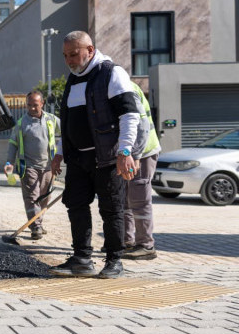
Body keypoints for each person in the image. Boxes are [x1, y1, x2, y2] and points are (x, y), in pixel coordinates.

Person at [49, 31, 149, 279]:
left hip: (107, 159)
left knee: (112, 209)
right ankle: (81, 259)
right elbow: (67, 122)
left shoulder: (112, 73)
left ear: (90, 50)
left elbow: (129, 115)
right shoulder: (72, 80)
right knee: (76, 205)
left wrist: (125, 151)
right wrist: (59, 153)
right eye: (65, 56)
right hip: (78, 159)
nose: (69, 61)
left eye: (74, 54)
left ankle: (114, 261)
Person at [4, 90, 62, 240]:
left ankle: (38, 222)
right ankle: (36, 227)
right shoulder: (21, 123)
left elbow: (67, 131)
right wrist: (9, 162)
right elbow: (13, 143)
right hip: (28, 166)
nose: (32, 108)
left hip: (48, 166)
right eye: (29, 105)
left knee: (44, 197)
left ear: (42, 103)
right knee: (32, 197)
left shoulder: (51, 119)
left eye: (35, 105)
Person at [122, 82, 161, 260]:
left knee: (139, 199)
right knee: (125, 198)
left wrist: (136, 154)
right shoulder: (114, 85)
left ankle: (146, 245)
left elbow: (142, 124)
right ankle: (127, 241)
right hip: (129, 153)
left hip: (143, 152)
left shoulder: (126, 88)